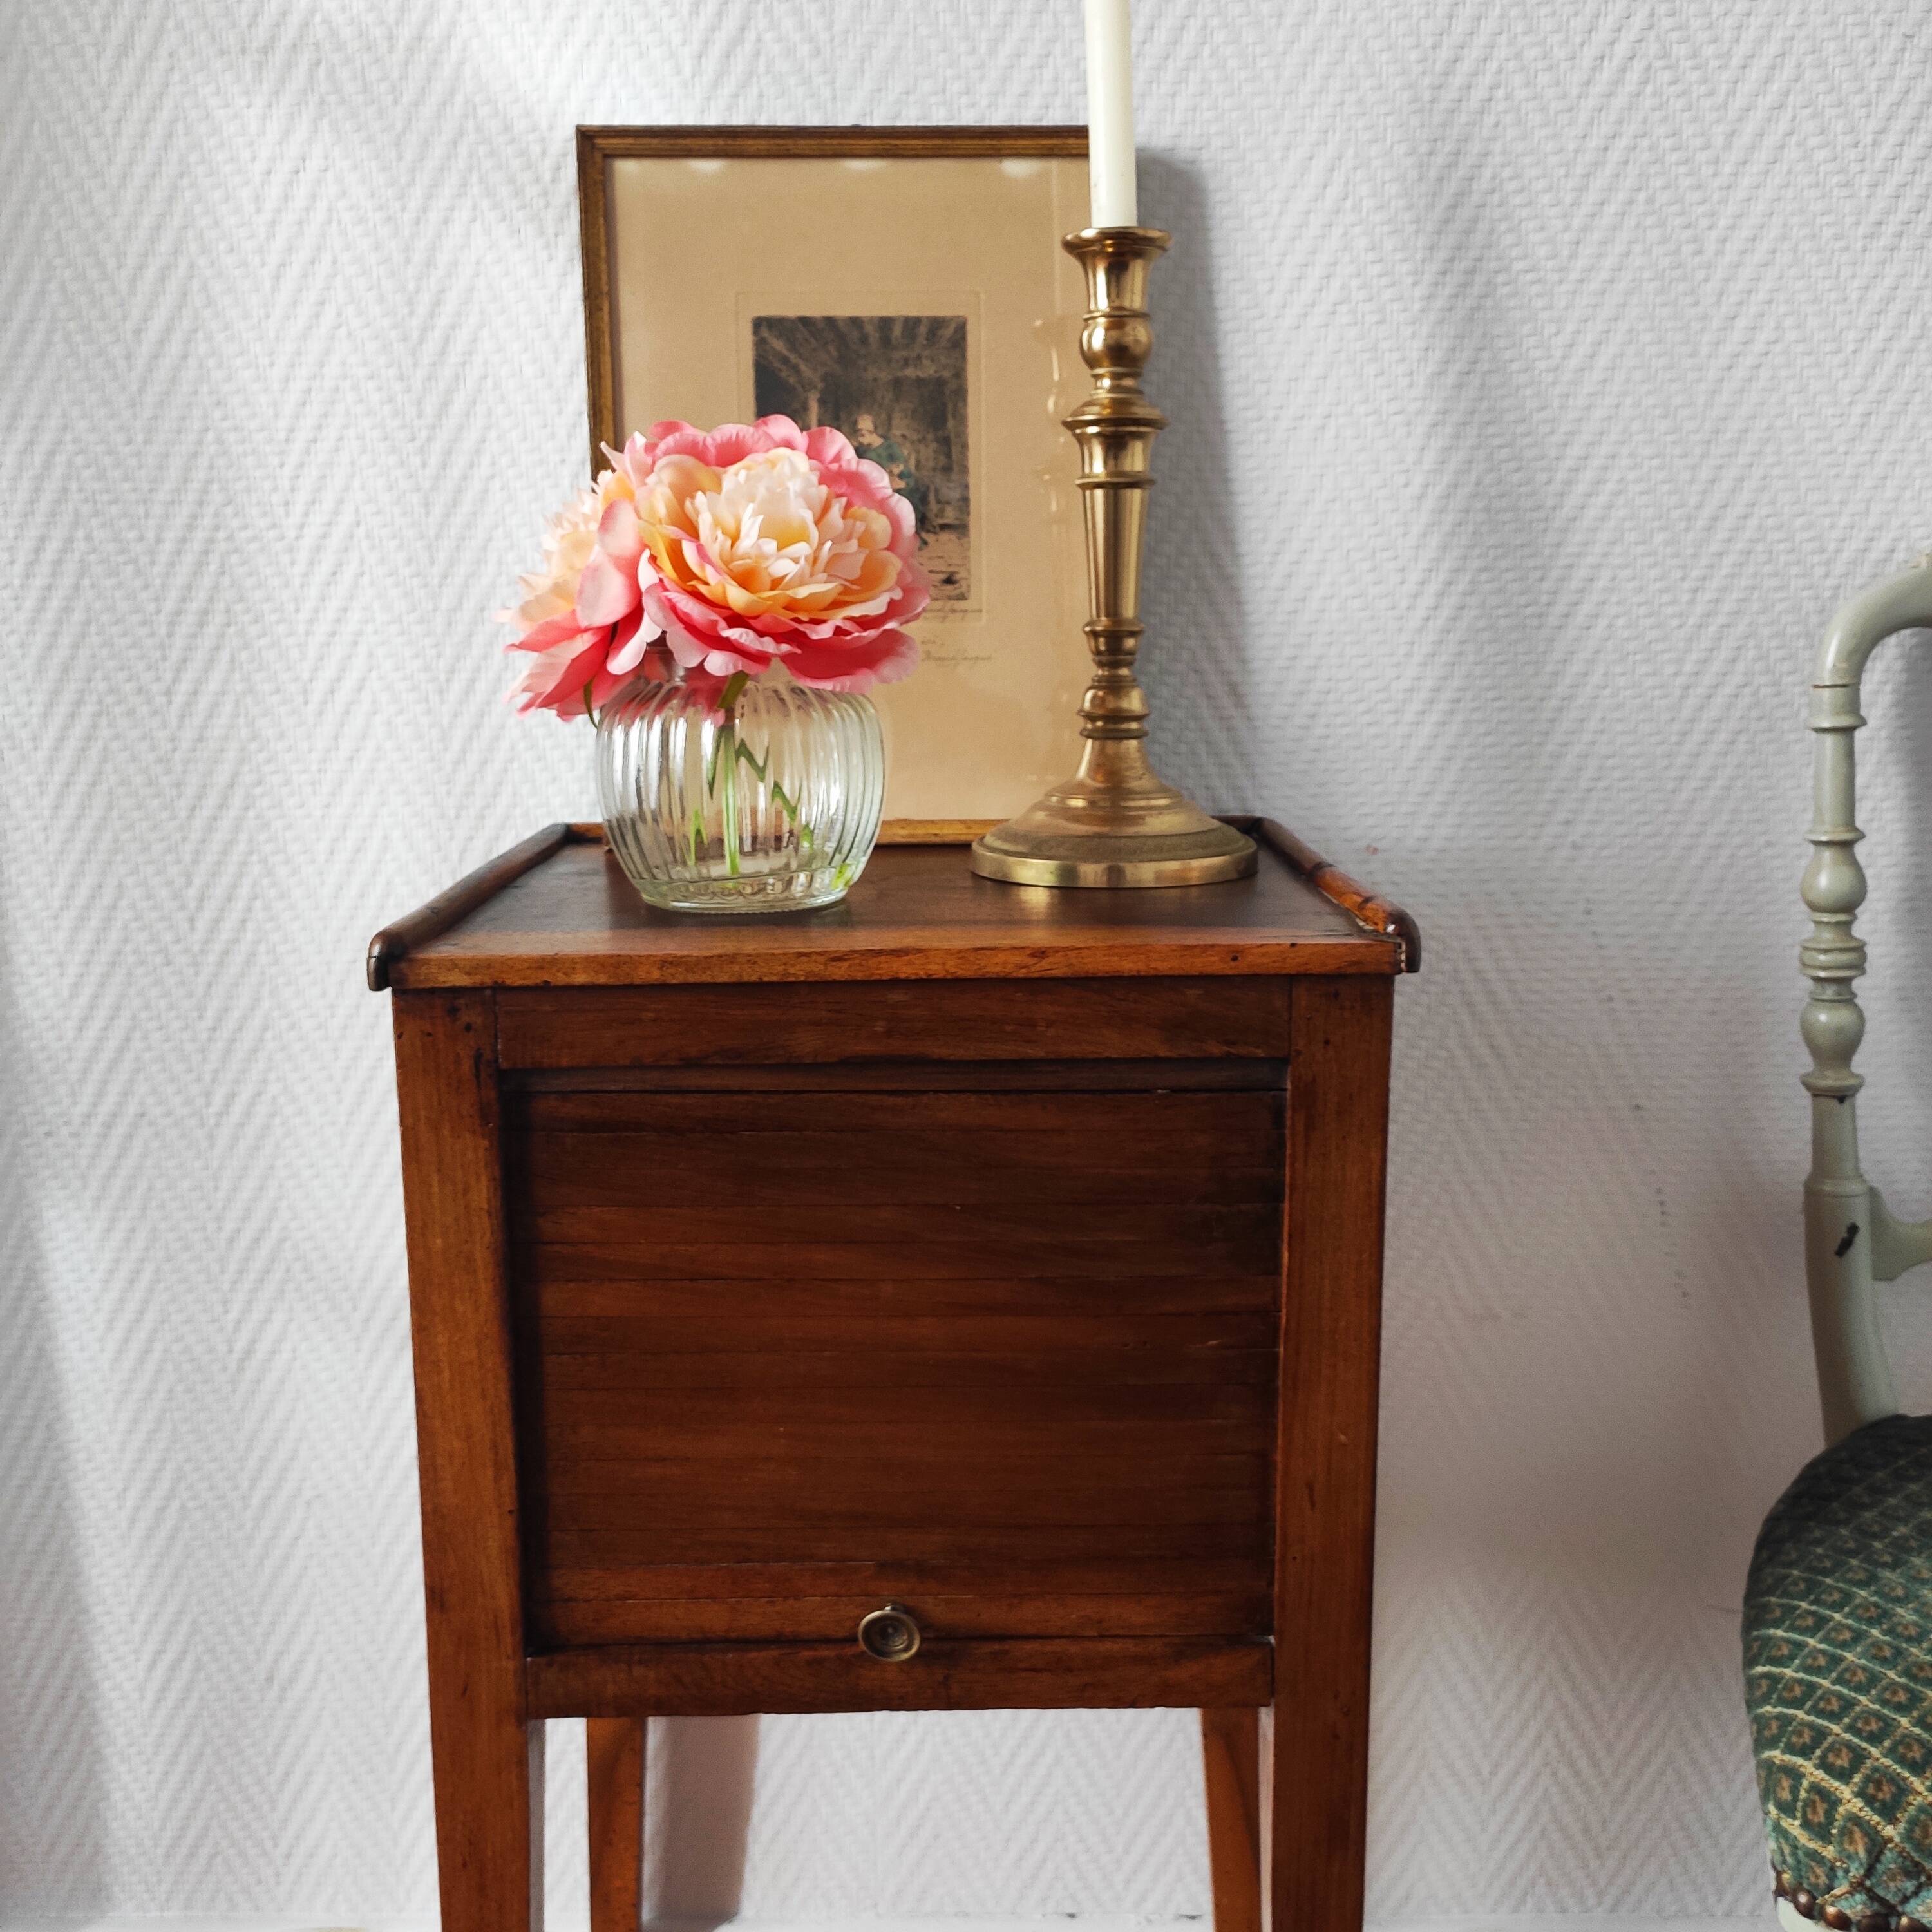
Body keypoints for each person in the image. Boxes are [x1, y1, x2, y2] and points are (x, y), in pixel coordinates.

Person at [851, 413, 931, 536]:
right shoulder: (861, 450)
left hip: (895, 482)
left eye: (863, 432)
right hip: (870, 486)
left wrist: (894, 473)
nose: (860, 437)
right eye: (858, 432)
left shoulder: (890, 447)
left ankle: (906, 533)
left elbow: (901, 469)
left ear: (872, 432)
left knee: (904, 494)